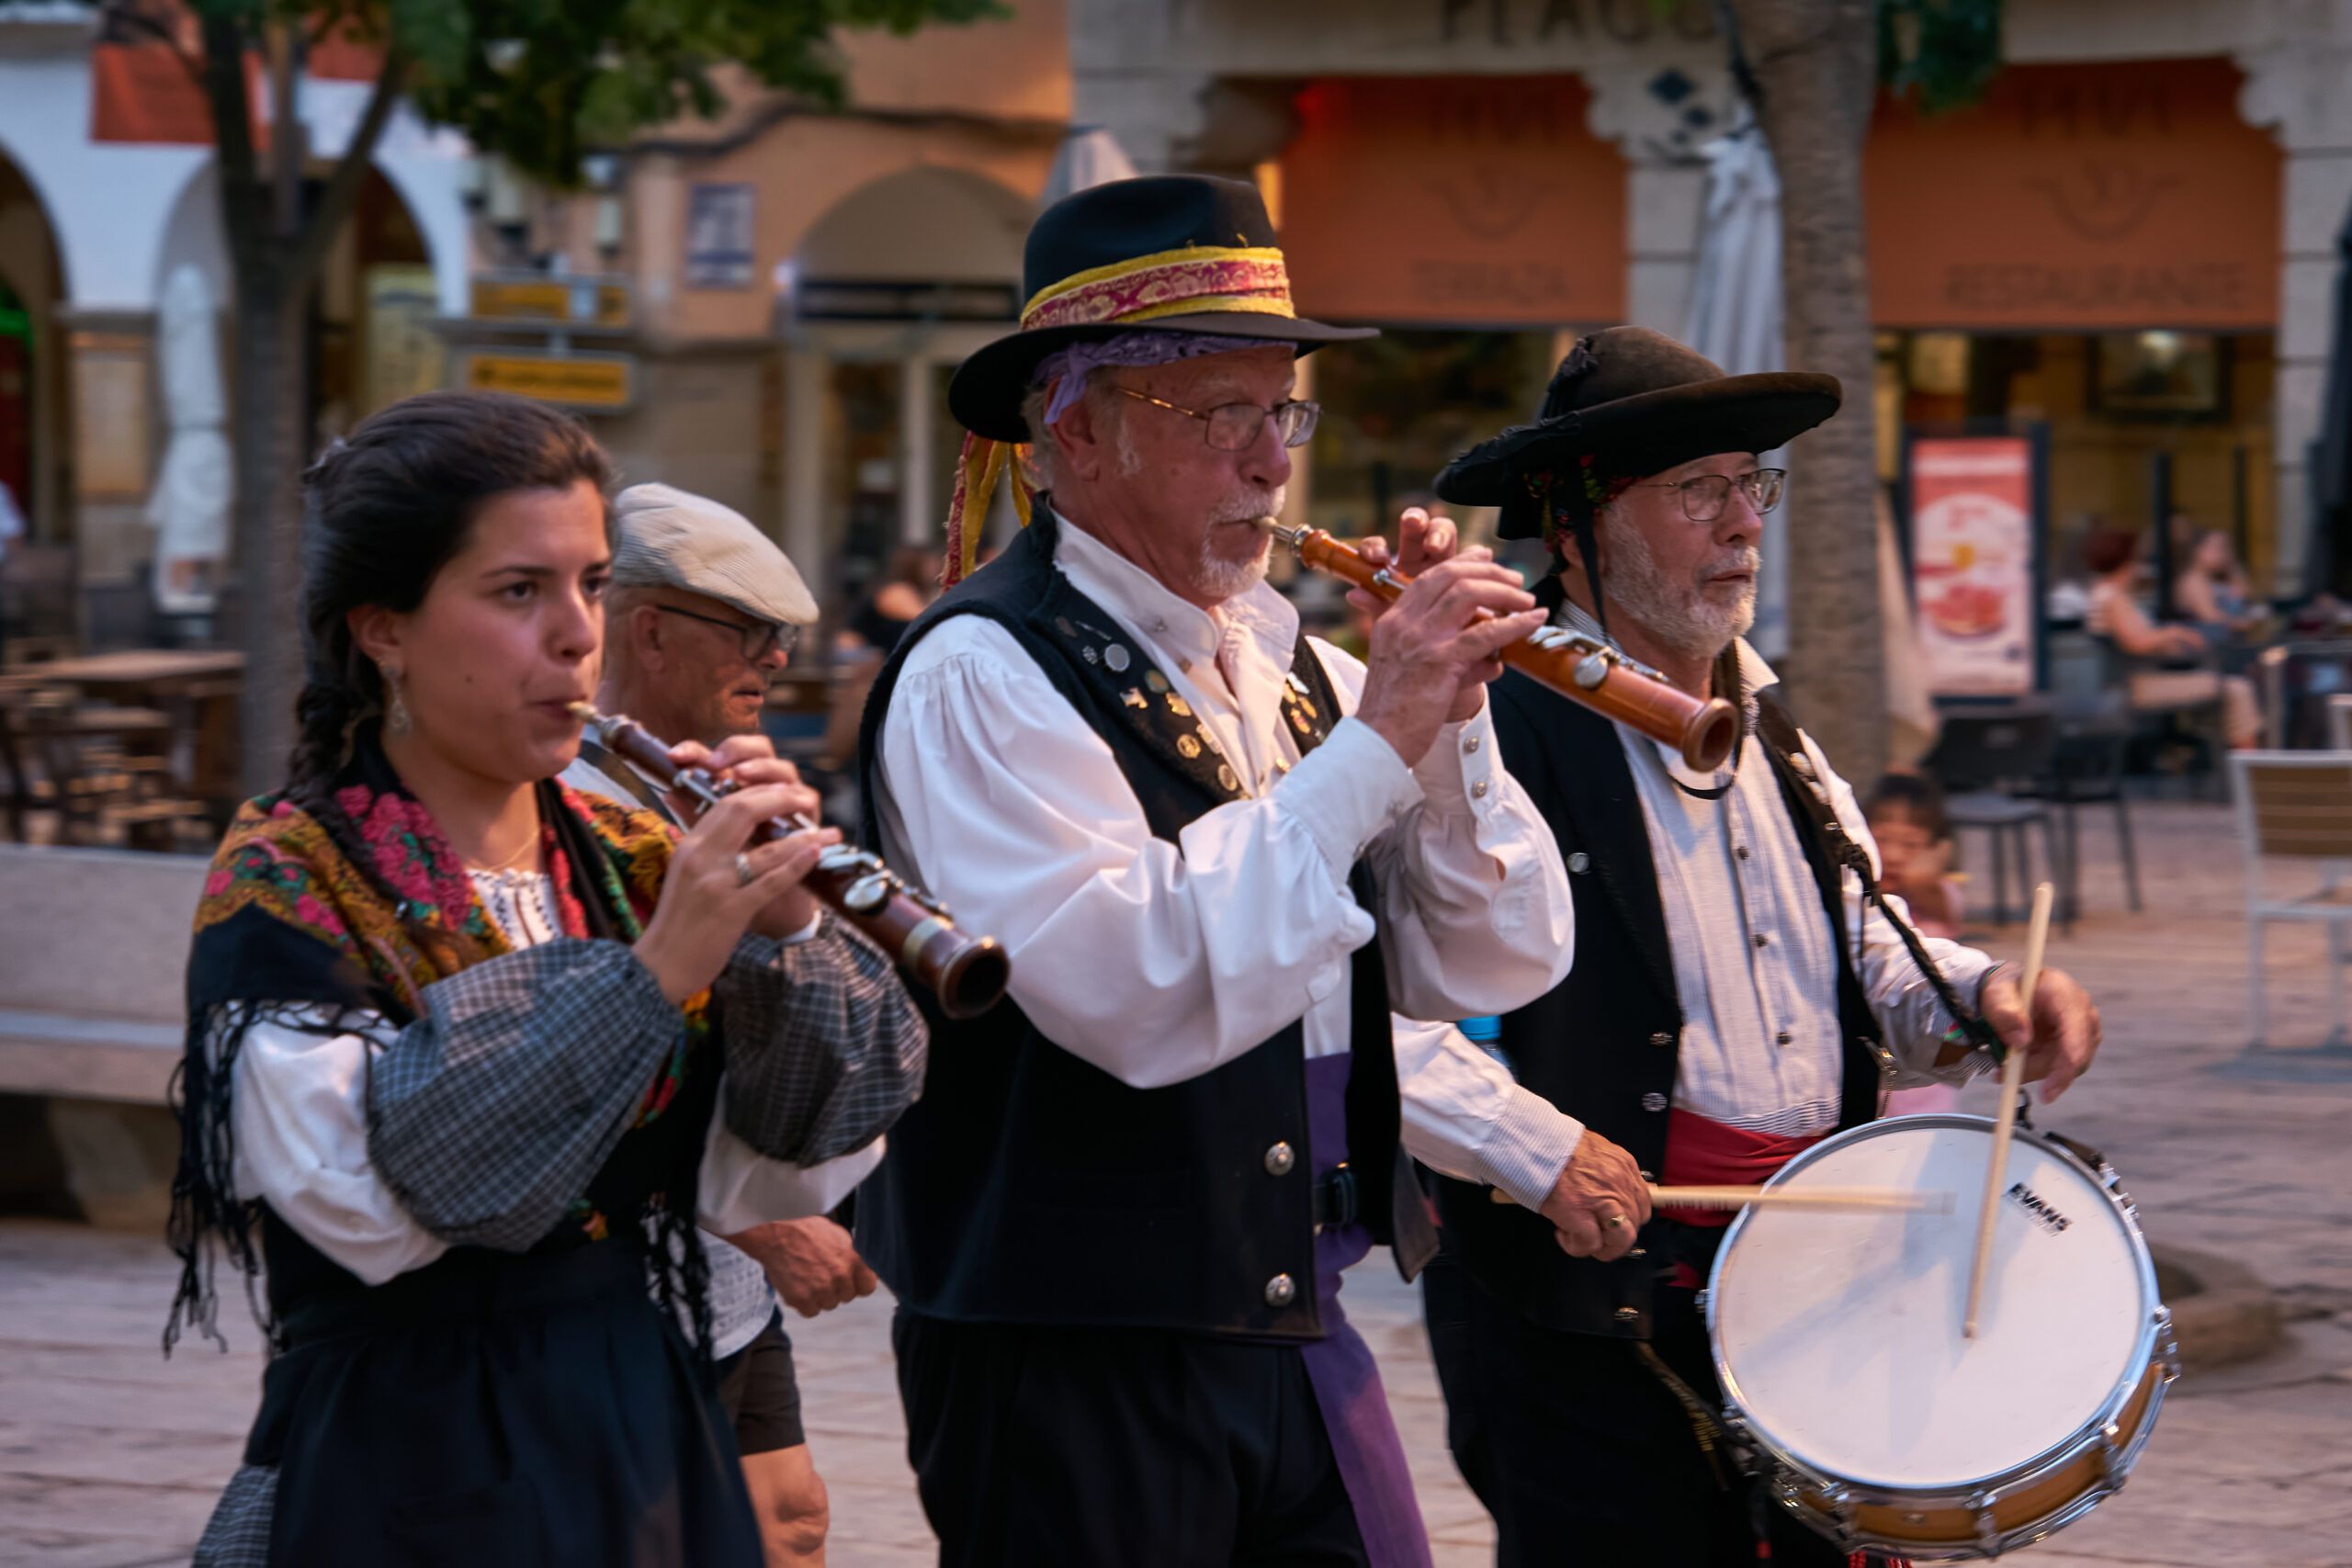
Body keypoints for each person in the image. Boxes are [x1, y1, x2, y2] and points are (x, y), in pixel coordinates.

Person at [854, 175, 1578, 1568]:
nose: (1269, 465)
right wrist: (1381, 735)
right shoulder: (980, 668)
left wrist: (1453, 724)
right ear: (1076, 429)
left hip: (1299, 1311)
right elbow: (1135, 987)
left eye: (1282, 413)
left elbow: (1493, 956)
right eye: (1219, 414)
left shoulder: (1298, 667)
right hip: (1072, 1348)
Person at [166, 391, 928, 1568]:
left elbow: (784, 1165)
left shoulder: (628, 851)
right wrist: (657, 972)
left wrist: (788, 938)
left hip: (643, 1436)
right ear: (383, 628)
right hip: (416, 1457)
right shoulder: (293, 871)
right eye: (519, 591)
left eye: (592, 585)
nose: (578, 636)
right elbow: (385, 1211)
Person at [1419, 328, 2105, 1568]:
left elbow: (1856, 943)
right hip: (1594, 1303)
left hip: (1814, 1279)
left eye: (1752, 485)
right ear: (1577, 523)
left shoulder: (1772, 726)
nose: (1743, 522)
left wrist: (1983, 991)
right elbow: (1392, 1015)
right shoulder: (1483, 725)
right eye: (1698, 489)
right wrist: (1536, 1150)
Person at [565, 480, 875, 1568]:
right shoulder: (564, 802)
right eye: (747, 630)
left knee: (792, 1523)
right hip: (608, 1291)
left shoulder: (703, 790)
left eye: (780, 634)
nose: (776, 658)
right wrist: (763, 1225)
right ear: (649, 632)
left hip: (719, 1286)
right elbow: (570, 1084)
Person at [2084, 524, 2262, 748]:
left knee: (2224, 688)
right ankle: (2247, 762)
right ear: (2126, 560)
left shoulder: (2104, 593)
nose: (2141, 563)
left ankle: (2223, 757)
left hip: (2134, 683)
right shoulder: (2114, 597)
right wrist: (2175, 632)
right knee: (2238, 690)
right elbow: (2137, 642)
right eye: (2137, 557)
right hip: (2140, 687)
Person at [1865, 773, 1965, 1116]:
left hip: (1923, 1076)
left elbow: (1918, 881)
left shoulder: (1940, 897)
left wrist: (1930, 866)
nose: (1893, 855)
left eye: (1910, 845)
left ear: (1937, 850)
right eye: (1881, 839)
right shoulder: (1856, 896)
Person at [2173, 527, 2263, 639]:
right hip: (2205, 642)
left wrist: (2234, 571)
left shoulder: (2224, 578)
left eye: (2227, 548)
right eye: (2217, 548)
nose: (2224, 554)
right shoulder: (2193, 580)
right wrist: (2243, 624)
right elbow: (2211, 617)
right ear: (2198, 550)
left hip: (2231, 639)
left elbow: (2248, 598)